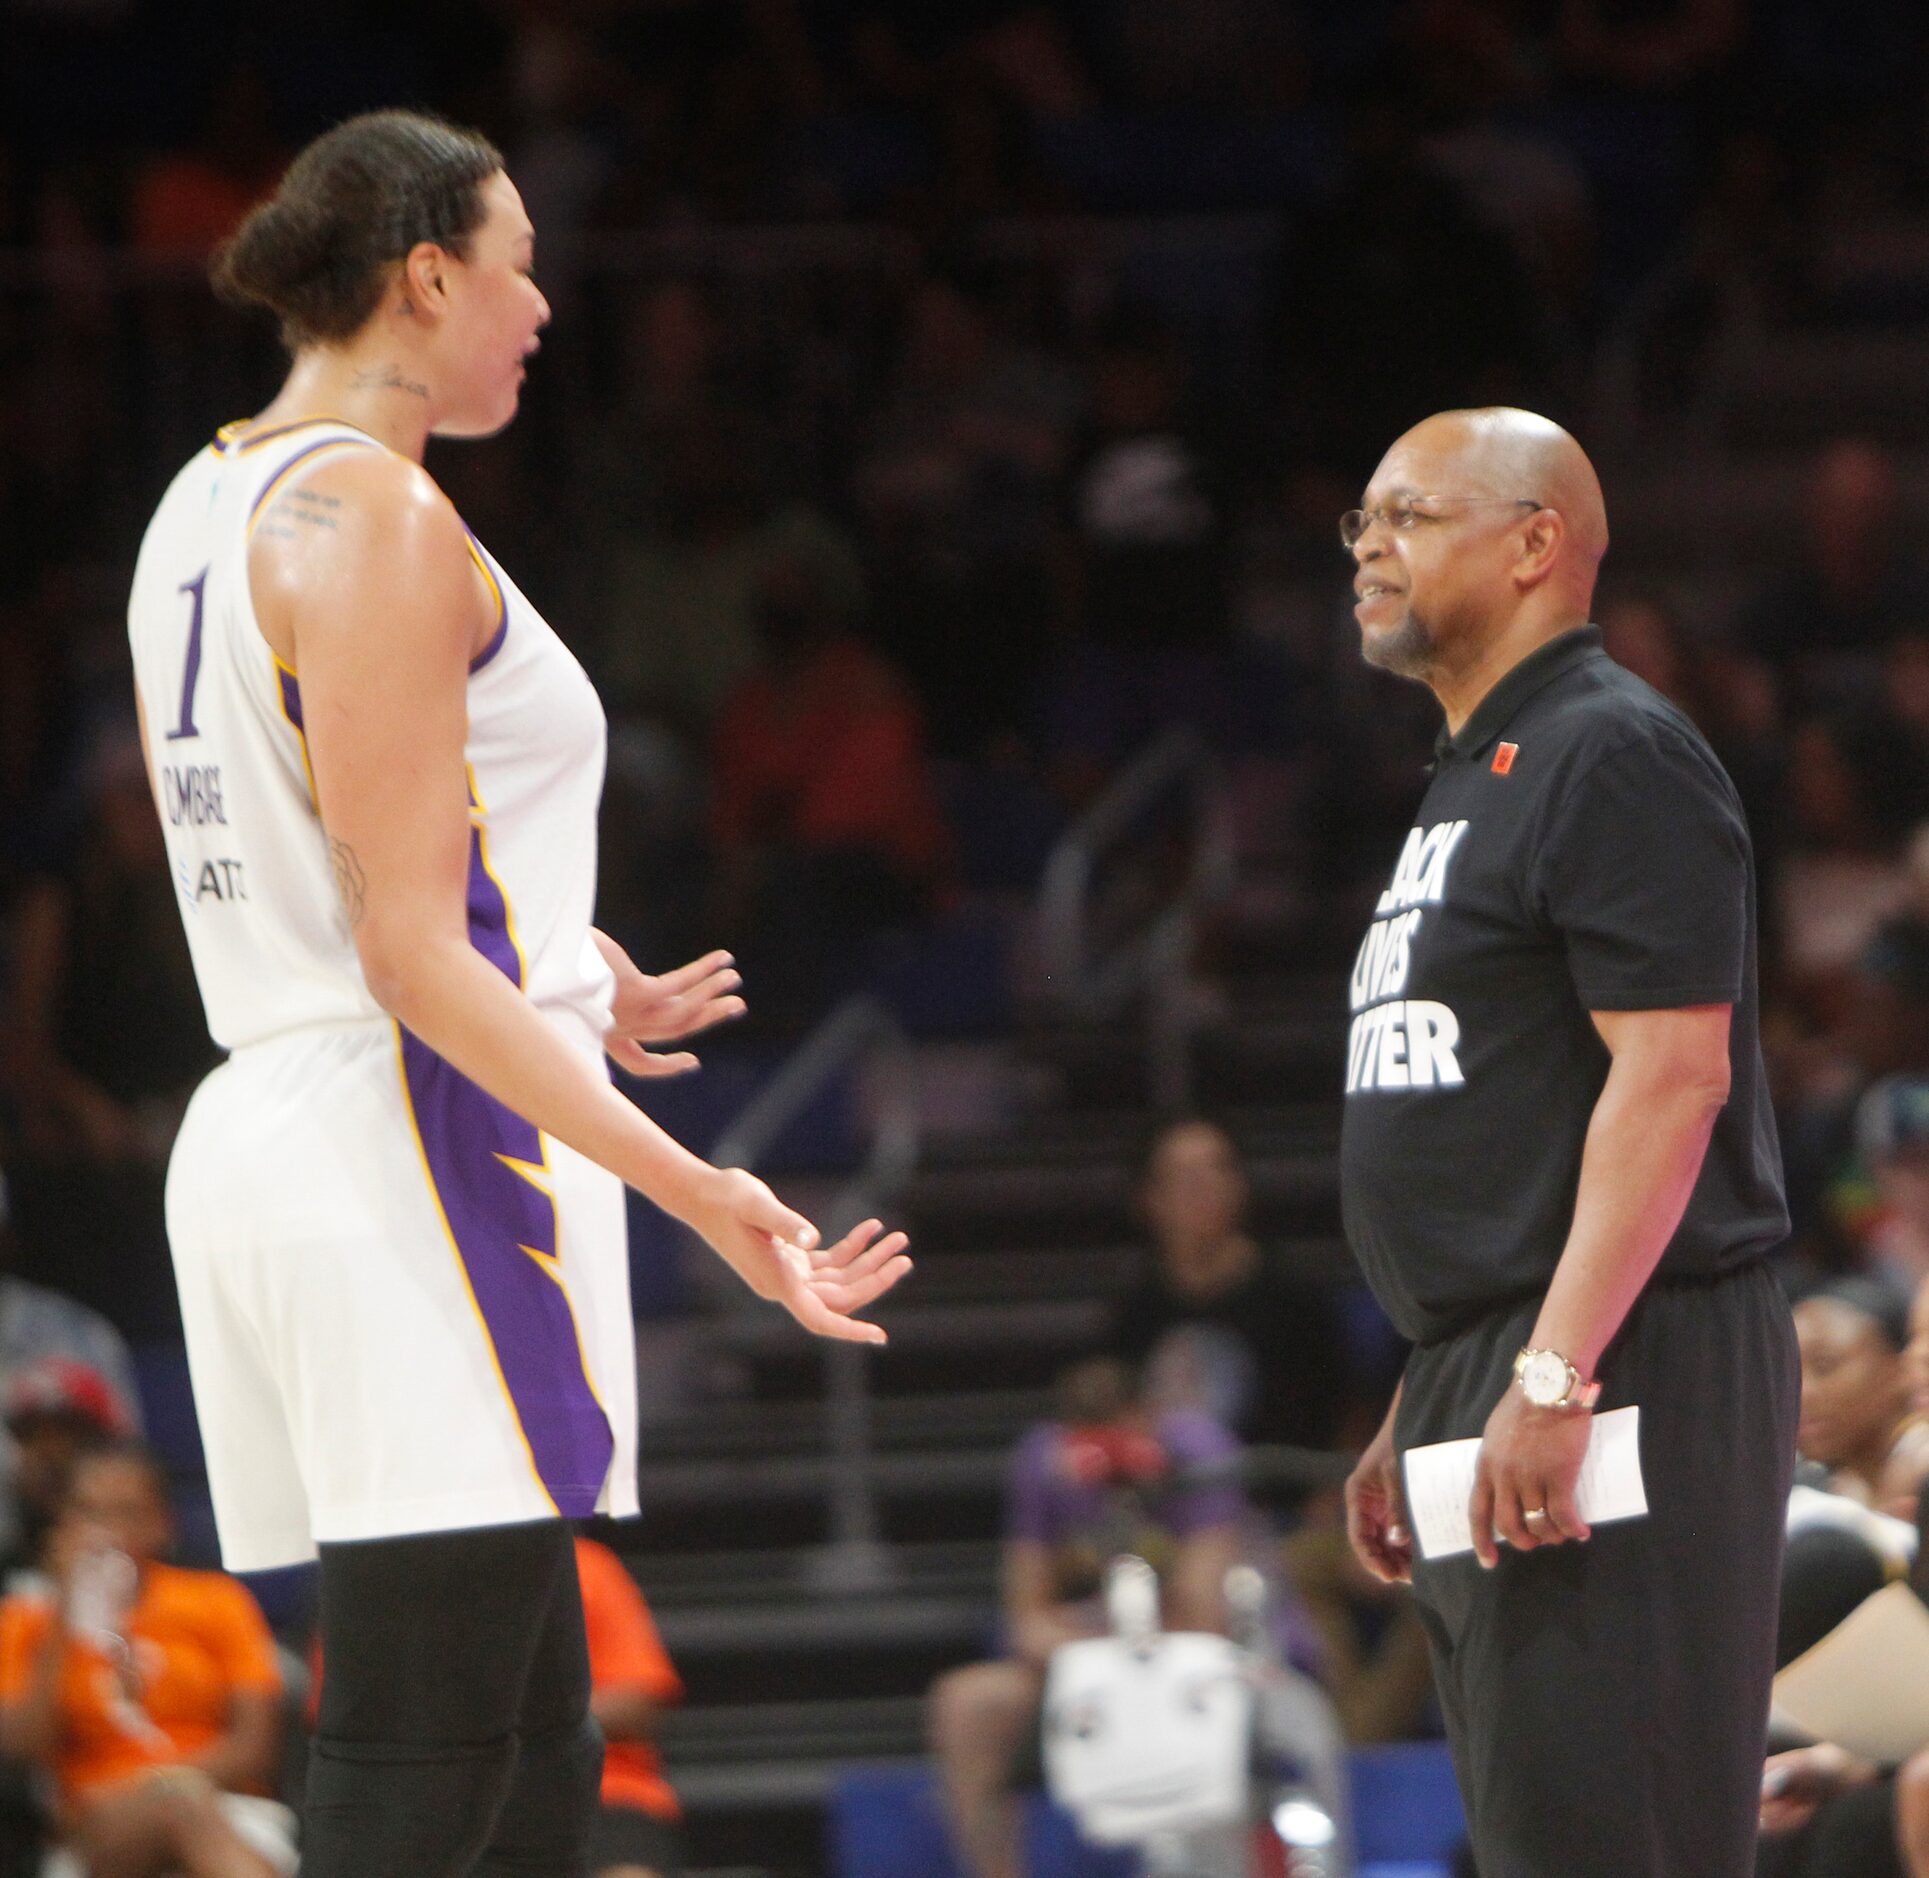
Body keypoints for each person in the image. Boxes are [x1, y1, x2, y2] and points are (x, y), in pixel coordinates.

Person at [126, 110, 911, 1878]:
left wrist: (566, 962)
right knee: (422, 1737)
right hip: (414, 1139)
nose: (543, 305)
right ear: (425, 279)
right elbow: (409, 948)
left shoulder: (208, 496)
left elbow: (342, 851)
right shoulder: (383, 515)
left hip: (285, 1118)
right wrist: (696, 1182)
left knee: (530, 1738)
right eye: (518, 264)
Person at [1337, 407, 1797, 1877]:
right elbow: (1496, 1118)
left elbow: (1671, 1081)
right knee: (1546, 1840)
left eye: (1407, 514)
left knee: (1619, 1840)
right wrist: (1431, 1381)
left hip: (1615, 1363)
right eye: (1361, 520)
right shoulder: (1480, 775)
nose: (1367, 547)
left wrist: (1548, 1369)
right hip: (1509, 1361)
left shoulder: (1613, 751)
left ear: (1536, 542)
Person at [927, 1356, 1247, 1878]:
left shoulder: (1197, 1451)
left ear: (1148, 1416)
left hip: (1191, 1663)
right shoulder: (1044, 1460)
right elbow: (1026, 1620)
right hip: (1088, 1666)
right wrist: (1100, 1655)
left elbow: (1204, 1614)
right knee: (968, 1703)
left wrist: (1129, 1647)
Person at [0, 1441, 289, 1878]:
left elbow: (254, 1747)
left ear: (162, 1525)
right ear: (63, 1522)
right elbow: (22, 1748)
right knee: (182, 1810)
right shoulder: (27, 1617)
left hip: (225, 1808)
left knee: (184, 1813)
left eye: (126, 1513)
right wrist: (63, 1612)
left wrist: (158, 1785)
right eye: (89, 1512)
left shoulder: (215, 1599)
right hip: (98, 1829)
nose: (106, 1530)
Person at [1105, 1117, 1351, 1457]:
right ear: (1149, 1198)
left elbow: (1350, 1414)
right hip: (1175, 1501)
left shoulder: (1292, 1298)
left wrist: (1323, 1498)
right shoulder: (1135, 1310)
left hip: (1282, 1500)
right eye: (1185, 1177)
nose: (1203, 1188)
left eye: (1218, 1170)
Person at [573, 1538, 684, 1878]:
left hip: (600, 1793)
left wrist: (519, 1717)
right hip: (453, 1796)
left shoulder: (584, 1564)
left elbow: (637, 1703)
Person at [1792, 1277, 1915, 1505]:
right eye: (1788, 1375)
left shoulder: (1921, 1473)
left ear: (1897, 1368)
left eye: (1824, 1365)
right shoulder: (1809, 1495)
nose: (1801, 1393)